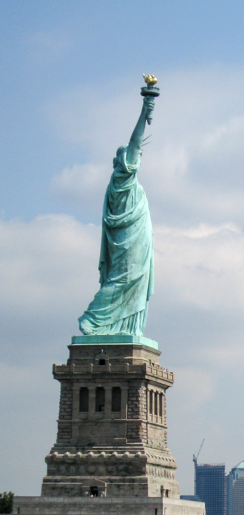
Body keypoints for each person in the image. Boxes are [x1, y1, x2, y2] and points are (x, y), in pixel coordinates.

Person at [78, 93, 156, 336]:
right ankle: (92, 319)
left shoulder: (118, 184)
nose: (139, 158)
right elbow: (135, 142)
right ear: (124, 161)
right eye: (135, 157)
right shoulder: (123, 179)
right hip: (128, 242)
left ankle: (124, 328)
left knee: (130, 281)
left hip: (135, 239)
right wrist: (146, 110)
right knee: (124, 279)